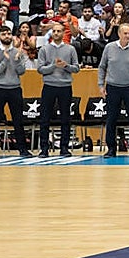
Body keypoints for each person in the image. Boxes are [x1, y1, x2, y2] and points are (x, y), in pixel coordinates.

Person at [97, 23, 129, 157]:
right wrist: (101, 85)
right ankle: (111, 148)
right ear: (119, 34)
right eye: (125, 33)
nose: (128, 36)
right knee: (111, 119)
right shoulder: (109, 47)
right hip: (113, 87)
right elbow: (102, 67)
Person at [35, 20, 80, 157]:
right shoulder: (44, 49)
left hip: (65, 86)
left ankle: (64, 147)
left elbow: (76, 68)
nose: (56, 33)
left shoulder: (70, 49)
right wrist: (54, 66)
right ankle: (44, 148)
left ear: (63, 32)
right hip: (49, 86)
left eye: (59, 31)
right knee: (45, 118)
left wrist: (66, 66)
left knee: (65, 118)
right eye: (54, 31)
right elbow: (40, 69)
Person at [0, 25, 30, 159]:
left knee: (18, 120)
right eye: (4, 34)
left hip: (14, 89)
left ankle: (23, 149)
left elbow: (22, 71)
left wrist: (16, 59)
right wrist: (5, 59)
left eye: (9, 33)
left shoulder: (18, 52)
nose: (7, 36)